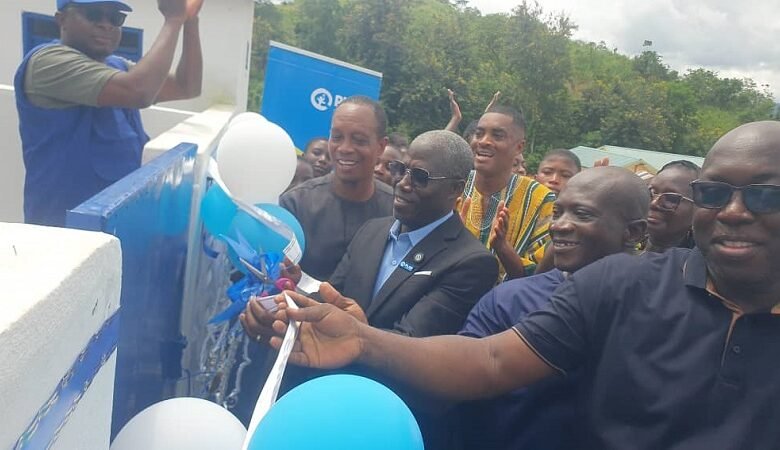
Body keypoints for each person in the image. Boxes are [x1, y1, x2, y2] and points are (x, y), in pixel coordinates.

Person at [271, 120, 780, 449]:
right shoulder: (621, 283)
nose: (734, 212)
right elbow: (487, 361)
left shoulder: (468, 260)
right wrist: (363, 340)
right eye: (715, 191)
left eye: (763, 196)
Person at [243, 130, 497, 445]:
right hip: (325, 404)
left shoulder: (471, 262)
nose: (403, 183)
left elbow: (412, 344)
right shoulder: (373, 231)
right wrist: (285, 305)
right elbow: (331, 299)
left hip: (386, 421)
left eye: (419, 177)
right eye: (401, 170)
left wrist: (358, 334)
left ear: (456, 189)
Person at [456, 167, 649, 450]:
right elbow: (464, 385)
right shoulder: (508, 301)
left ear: (633, 231)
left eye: (582, 215)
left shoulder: (662, 305)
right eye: (557, 213)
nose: (559, 225)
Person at [15, 0, 204, 226]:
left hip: (119, 223)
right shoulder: (47, 62)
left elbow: (187, 86)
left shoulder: (117, 66)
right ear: (61, 20)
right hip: (65, 231)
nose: (106, 25)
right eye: (94, 14)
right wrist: (173, 20)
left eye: (116, 18)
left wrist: (189, 20)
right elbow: (139, 92)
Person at [280, 96, 394, 281]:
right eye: (337, 137)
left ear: (380, 147)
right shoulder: (295, 205)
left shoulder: (396, 214)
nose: (345, 148)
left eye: (359, 140)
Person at [457, 105, 554, 280]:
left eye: (497, 135)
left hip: (505, 304)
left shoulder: (541, 200)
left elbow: (539, 277)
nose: (483, 141)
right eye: (479, 134)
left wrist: (502, 247)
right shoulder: (454, 184)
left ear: (519, 147)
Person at [645, 160, 700, 252]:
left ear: (697, 210)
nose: (653, 203)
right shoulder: (622, 242)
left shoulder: (701, 263)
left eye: (670, 198)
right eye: (650, 193)